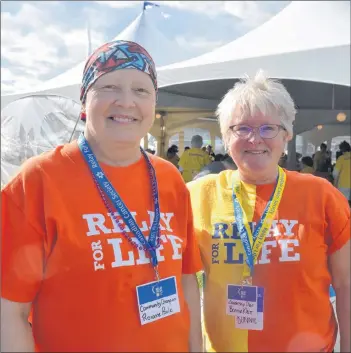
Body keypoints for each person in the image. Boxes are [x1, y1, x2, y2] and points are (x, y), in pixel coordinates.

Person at [1, 40, 203, 352]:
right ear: (84, 101)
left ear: (153, 103)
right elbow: (10, 311)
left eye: (141, 90)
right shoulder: (38, 181)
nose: (126, 102)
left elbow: (187, 281)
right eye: (109, 87)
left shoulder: (170, 179)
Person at [187, 70, 350, 352]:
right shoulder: (198, 195)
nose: (255, 139)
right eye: (242, 128)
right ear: (226, 137)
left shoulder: (321, 195)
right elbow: (184, 284)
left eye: (268, 128)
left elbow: (346, 284)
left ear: (286, 134)